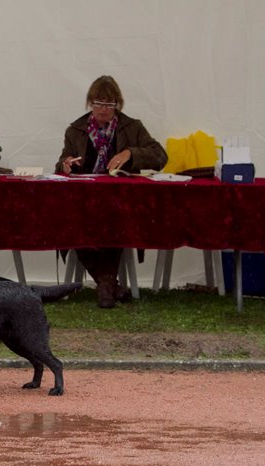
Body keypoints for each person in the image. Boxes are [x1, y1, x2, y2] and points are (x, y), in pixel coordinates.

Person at [55, 75, 168, 308]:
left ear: (117, 105)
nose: (103, 109)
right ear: (90, 102)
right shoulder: (75, 130)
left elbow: (160, 156)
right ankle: (108, 284)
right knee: (72, 223)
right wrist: (66, 164)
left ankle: (106, 284)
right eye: (98, 103)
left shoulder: (132, 127)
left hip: (119, 204)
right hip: (84, 203)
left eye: (109, 104)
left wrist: (130, 154)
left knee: (116, 223)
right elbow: (60, 164)